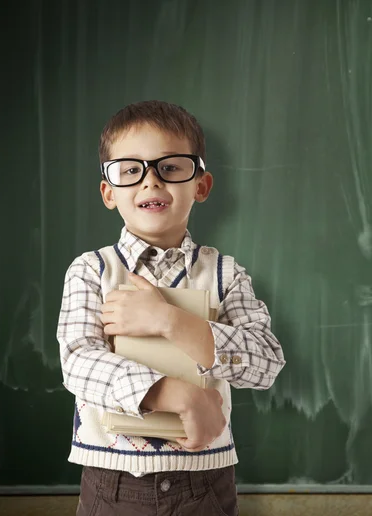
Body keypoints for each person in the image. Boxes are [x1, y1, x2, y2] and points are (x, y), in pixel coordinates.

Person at [57, 100, 286, 515]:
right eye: (130, 170)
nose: (150, 182)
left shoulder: (225, 275)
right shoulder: (91, 270)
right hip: (115, 484)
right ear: (108, 192)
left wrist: (169, 320)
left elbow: (266, 363)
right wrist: (176, 395)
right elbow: (78, 362)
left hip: (205, 484)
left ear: (201, 185)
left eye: (171, 167)